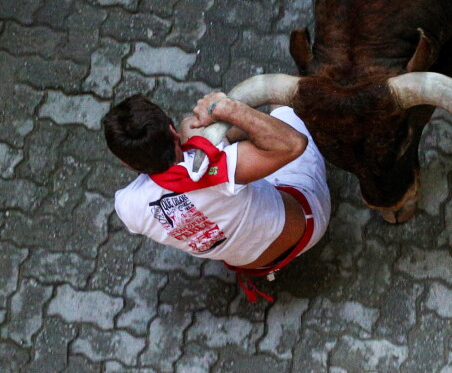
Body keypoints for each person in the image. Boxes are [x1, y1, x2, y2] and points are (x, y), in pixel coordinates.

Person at [102, 92, 331, 302]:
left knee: (192, 128)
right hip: (309, 221)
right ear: (172, 133)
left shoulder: (128, 207)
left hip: (250, 263)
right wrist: (233, 111)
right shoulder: (221, 171)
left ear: (127, 164)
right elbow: (293, 143)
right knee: (284, 102)